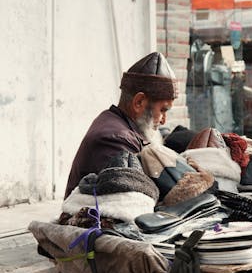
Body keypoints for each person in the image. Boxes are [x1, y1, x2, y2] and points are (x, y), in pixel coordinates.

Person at [64, 51, 177, 199]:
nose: (163, 120)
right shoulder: (115, 139)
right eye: (162, 110)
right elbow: (133, 201)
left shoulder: (118, 124)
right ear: (139, 102)